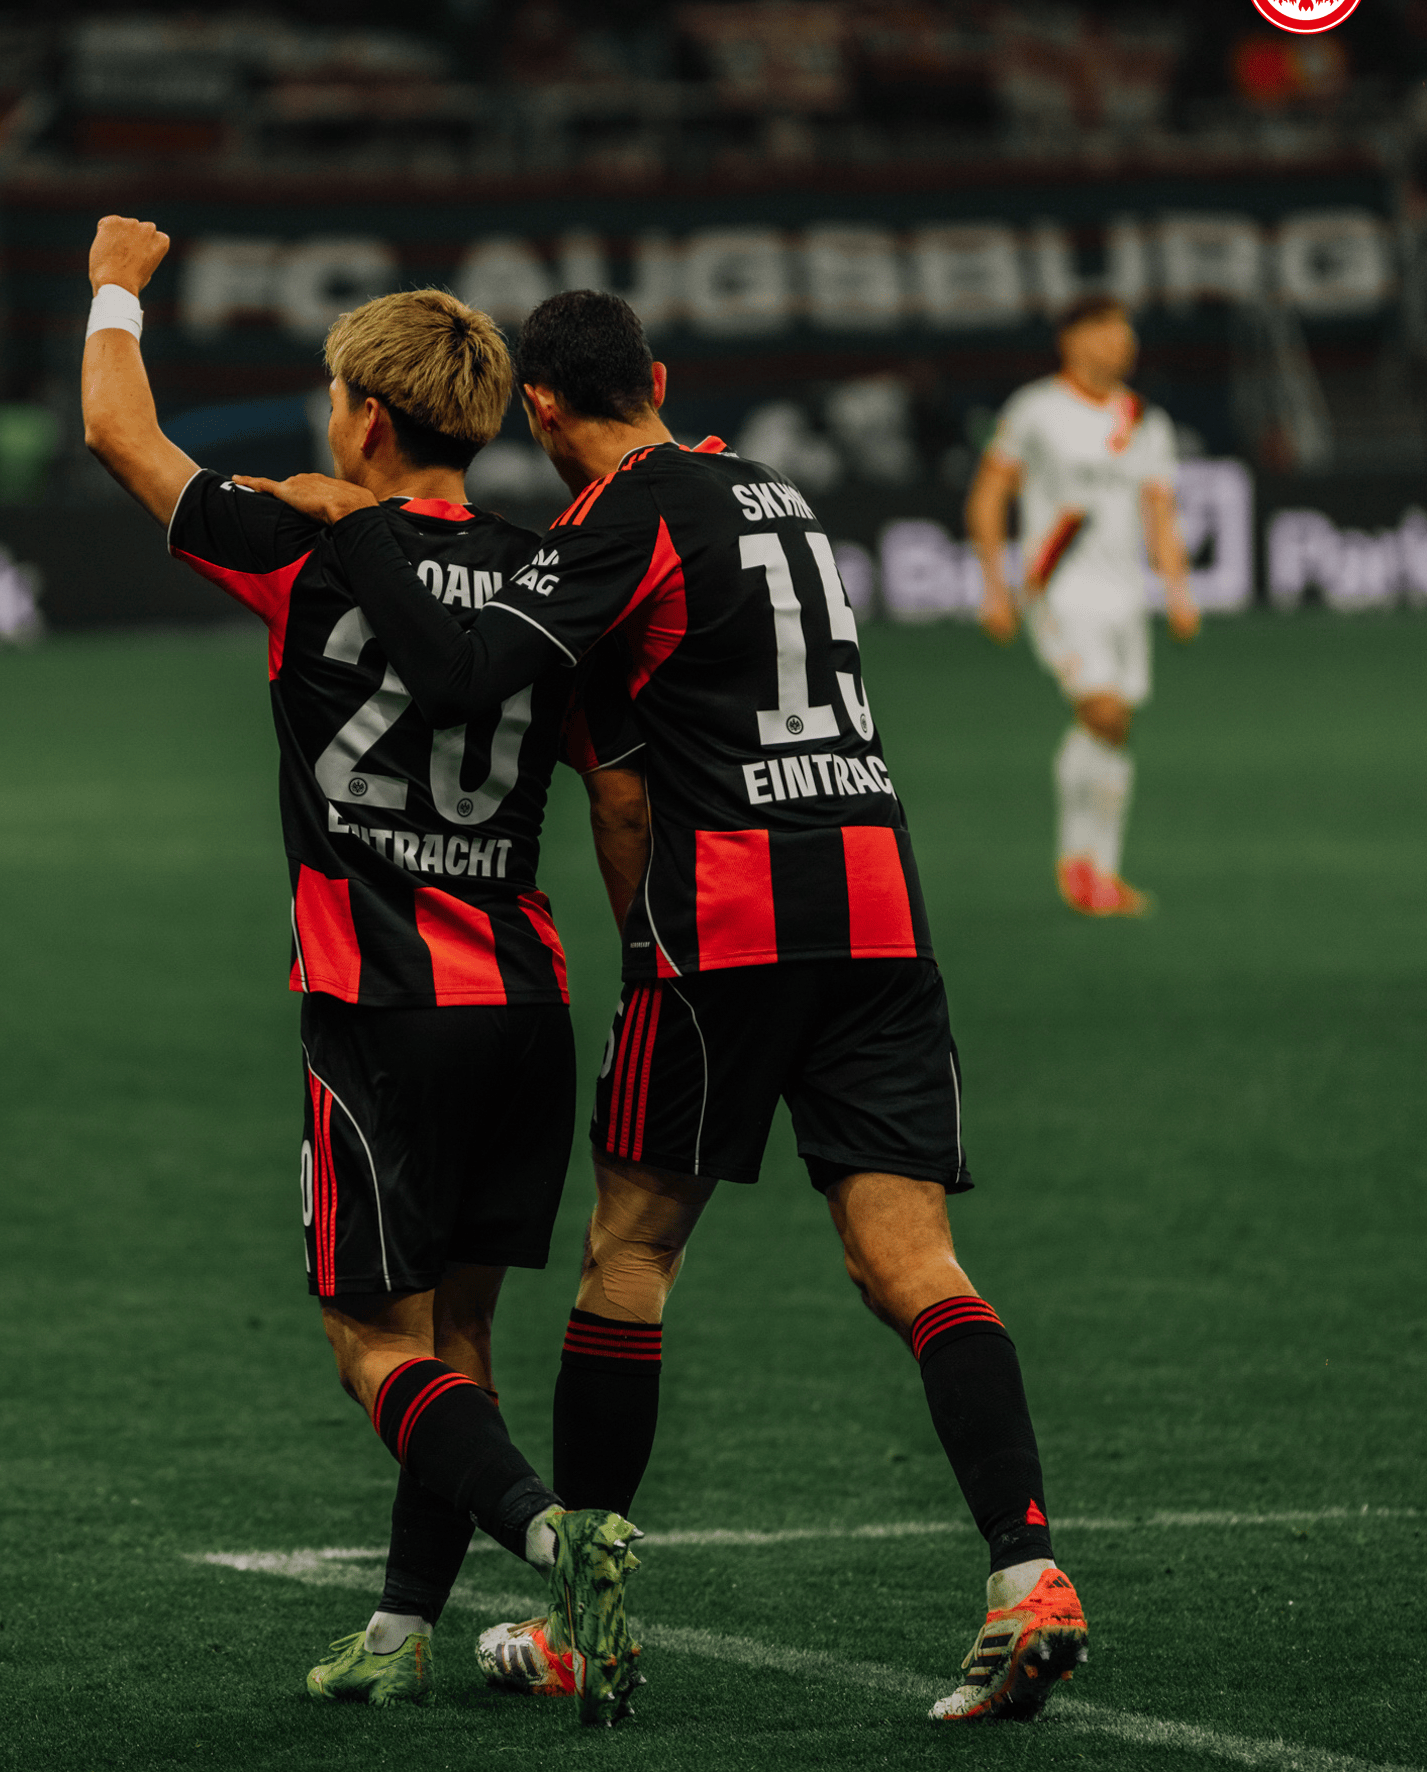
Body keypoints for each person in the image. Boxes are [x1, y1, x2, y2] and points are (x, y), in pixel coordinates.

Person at [238, 289, 1089, 1725]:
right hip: (879, 897)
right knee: (912, 1261)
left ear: (541, 411)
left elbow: (463, 675)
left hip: (733, 918)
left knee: (628, 1256)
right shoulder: (776, 493)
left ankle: (581, 1619)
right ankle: (1028, 1573)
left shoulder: (618, 519)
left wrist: (359, 525)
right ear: (662, 378)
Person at [79, 218, 646, 1728]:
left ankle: (551, 1536)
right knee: (460, 1340)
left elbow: (120, 432)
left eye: (338, 397)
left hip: (382, 1007)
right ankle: (401, 1629)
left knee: (372, 1349)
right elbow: (620, 790)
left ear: (371, 418)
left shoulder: (310, 545)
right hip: (526, 998)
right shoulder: (548, 578)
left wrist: (116, 282)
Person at [967, 296, 1200, 916]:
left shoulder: (1144, 420)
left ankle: (1101, 872)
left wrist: (1178, 592)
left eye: (1127, 335)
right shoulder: (1035, 410)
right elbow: (989, 495)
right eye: (1110, 333)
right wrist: (994, 586)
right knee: (1102, 712)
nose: (1124, 345)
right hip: (1060, 590)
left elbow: (1160, 512)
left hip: (1125, 596)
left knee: (1117, 726)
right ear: (1073, 340)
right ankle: (1079, 865)